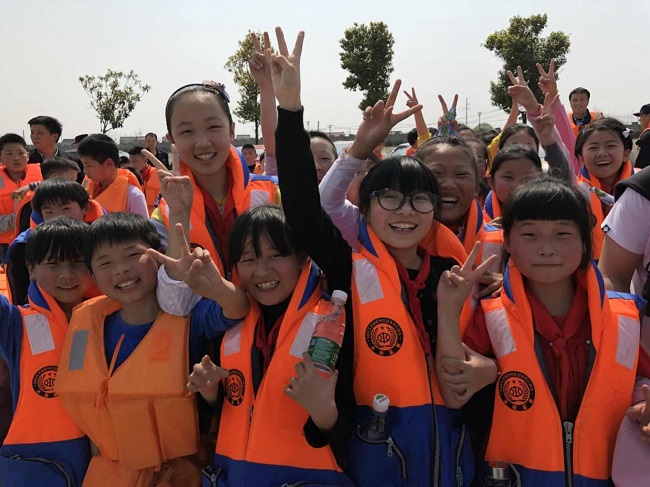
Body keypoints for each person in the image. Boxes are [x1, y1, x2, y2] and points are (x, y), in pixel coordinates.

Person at [270, 27, 479, 486]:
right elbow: (304, 209)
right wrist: (290, 109)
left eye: (420, 200)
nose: (406, 211)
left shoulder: (453, 273)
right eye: (389, 198)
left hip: (457, 454)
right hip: (378, 453)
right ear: (362, 210)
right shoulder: (346, 263)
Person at [437, 176, 647, 486]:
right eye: (530, 234)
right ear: (508, 242)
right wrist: (448, 309)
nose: (546, 249)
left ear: (585, 241)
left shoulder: (624, 317)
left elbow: (640, 384)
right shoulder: (491, 316)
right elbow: (454, 395)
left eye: (562, 234)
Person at [155, 206, 355, 486]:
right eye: (248, 259)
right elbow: (225, 407)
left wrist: (324, 412)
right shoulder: (230, 321)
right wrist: (210, 393)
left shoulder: (330, 322)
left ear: (302, 258)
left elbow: (349, 423)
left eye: (275, 255)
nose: (262, 270)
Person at [55, 212, 248, 486]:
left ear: (159, 258)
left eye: (133, 255)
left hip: (177, 475)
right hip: (108, 475)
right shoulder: (85, 325)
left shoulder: (188, 316)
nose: (121, 269)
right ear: (93, 278)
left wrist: (217, 288)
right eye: (106, 263)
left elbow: (237, 309)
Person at [149, 81, 279, 278]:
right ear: (171, 140)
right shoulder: (165, 213)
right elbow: (170, 294)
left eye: (213, 127)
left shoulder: (273, 193)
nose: (202, 143)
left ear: (232, 130)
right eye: (187, 131)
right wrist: (179, 215)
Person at [0, 217, 93, 487]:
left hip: (100, 460)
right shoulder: (15, 322)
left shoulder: (109, 317)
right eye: (53, 264)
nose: (67, 274)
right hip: (33, 464)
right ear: (30, 268)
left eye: (78, 262)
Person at [6, 178, 105, 305]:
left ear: (85, 208)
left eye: (65, 208)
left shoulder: (103, 240)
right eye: (49, 212)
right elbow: (19, 292)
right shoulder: (23, 246)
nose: (58, 216)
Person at [575, 118, 634, 259]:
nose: (602, 153)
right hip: (590, 266)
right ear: (581, 158)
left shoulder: (644, 185)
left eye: (610, 146)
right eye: (593, 148)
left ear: (626, 154)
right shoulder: (575, 191)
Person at [78, 134, 148, 217]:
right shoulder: (85, 190)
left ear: (109, 164)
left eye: (89, 166)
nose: (85, 171)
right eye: (84, 166)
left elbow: (143, 225)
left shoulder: (133, 196)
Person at [0, 134, 42, 256]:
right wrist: (18, 219)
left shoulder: (42, 174)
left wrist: (31, 187)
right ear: (1, 158)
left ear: (28, 155)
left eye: (20, 153)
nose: (16, 158)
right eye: (9, 154)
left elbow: (56, 186)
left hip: (37, 239)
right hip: (4, 246)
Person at [128, 146, 161, 215]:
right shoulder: (129, 177)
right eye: (130, 162)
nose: (131, 165)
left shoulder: (158, 174)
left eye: (135, 161)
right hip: (138, 217)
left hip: (156, 217)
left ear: (145, 160)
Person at [633, 104, 650, 169]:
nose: (639, 120)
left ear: (649, 116)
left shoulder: (647, 136)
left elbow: (641, 164)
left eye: (640, 116)